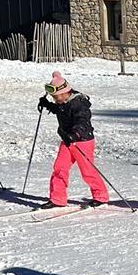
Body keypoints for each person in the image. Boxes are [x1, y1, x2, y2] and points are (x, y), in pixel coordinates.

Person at [36, 71, 109, 209]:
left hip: (83, 141)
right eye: (52, 97)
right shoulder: (63, 101)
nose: (55, 99)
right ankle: (58, 198)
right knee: (59, 168)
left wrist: (74, 134)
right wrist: (47, 104)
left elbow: (83, 122)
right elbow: (60, 110)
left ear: (65, 92)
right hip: (67, 140)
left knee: (88, 171)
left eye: (55, 97)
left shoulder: (79, 104)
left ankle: (101, 196)